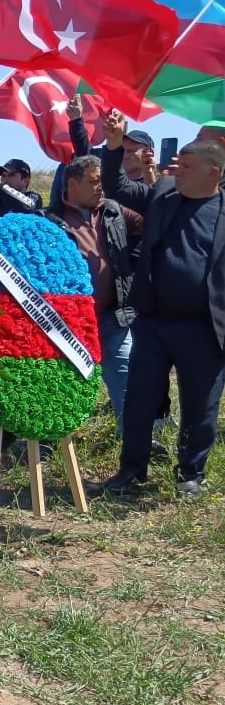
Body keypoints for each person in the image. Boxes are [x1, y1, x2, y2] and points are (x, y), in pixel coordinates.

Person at [98, 112, 225, 500]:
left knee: (200, 406)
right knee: (140, 399)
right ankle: (131, 470)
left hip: (204, 329)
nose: (177, 170)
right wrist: (115, 145)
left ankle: (191, 473)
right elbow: (116, 185)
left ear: (214, 172)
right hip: (153, 323)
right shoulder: (162, 194)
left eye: (187, 167)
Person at [45, 154, 143, 432]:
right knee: (63, 381)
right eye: (94, 181)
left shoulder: (114, 210)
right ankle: (51, 441)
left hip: (114, 315)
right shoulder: (50, 219)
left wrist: (131, 261)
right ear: (72, 183)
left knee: (125, 376)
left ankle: (133, 445)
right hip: (70, 323)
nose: (101, 187)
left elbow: (146, 229)